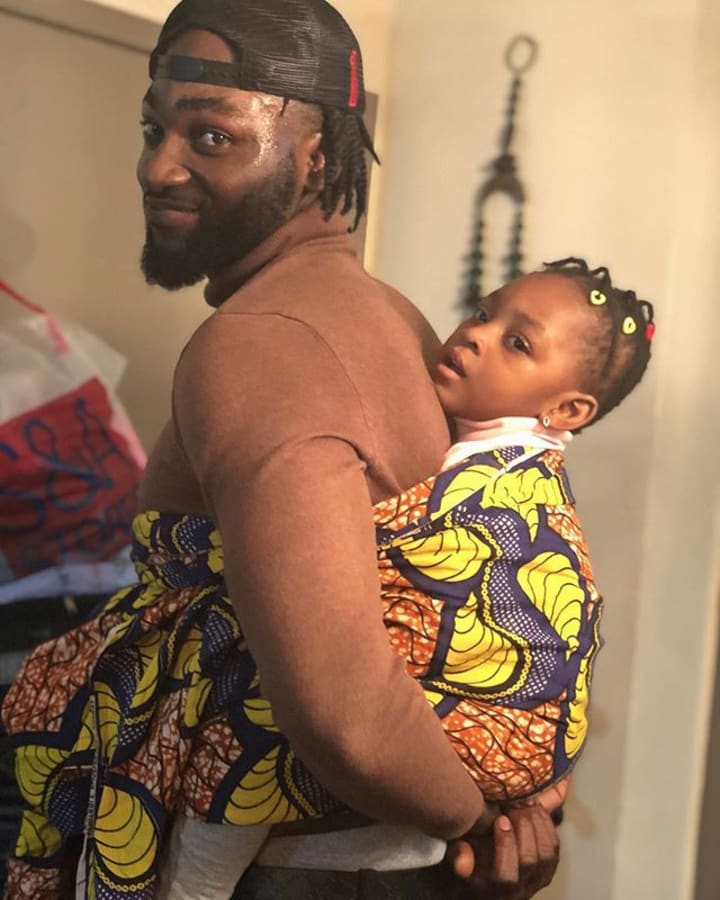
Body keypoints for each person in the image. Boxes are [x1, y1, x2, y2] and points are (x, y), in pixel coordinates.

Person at [1, 1, 563, 898]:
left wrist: (473, 824)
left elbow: (342, 706)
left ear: (315, 156)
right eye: (153, 129)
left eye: (212, 136)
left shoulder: (263, 345)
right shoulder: (389, 314)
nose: (157, 166)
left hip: (289, 872)